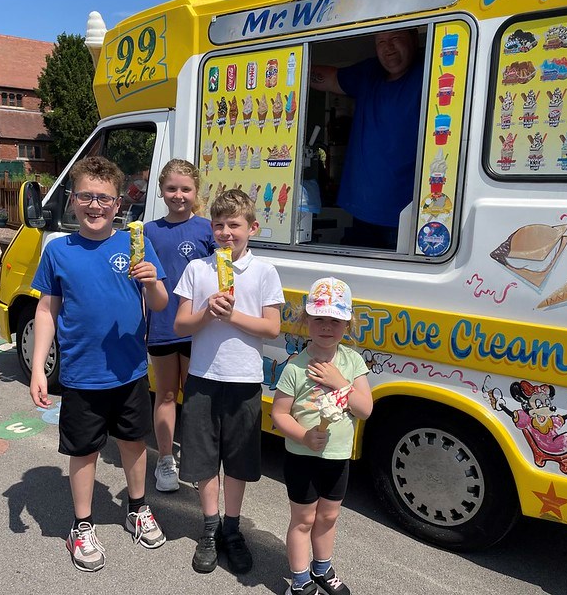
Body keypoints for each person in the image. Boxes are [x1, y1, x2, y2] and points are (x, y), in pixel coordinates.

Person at [29, 156, 169, 572]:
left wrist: (152, 282)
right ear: (73, 200)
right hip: (81, 373)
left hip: (129, 371)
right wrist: (39, 367)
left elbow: (160, 304)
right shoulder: (58, 251)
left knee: (133, 443)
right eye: (87, 196)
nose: (95, 205)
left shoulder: (135, 244)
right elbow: (46, 312)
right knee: (85, 451)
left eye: (104, 198)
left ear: (118, 204)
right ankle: (82, 524)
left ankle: (138, 508)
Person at [174, 188, 284, 575]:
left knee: (237, 461)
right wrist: (207, 312)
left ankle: (232, 530)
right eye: (218, 225)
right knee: (204, 459)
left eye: (234, 225)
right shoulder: (198, 270)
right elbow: (180, 324)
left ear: (251, 227)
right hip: (204, 378)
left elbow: (272, 328)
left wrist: (232, 314)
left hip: (244, 380)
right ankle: (209, 527)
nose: (226, 233)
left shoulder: (264, 272)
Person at [271, 277, 373, 595]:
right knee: (303, 519)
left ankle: (322, 569)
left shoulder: (352, 363)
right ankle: (300, 582)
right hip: (302, 457)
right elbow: (279, 414)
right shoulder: (295, 368)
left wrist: (339, 382)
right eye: (319, 319)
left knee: (328, 516)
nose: (326, 327)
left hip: (338, 456)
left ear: (347, 323)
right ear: (306, 321)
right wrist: (302, 435)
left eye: (335, 320)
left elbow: (365, 409)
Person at [311, 29, 423, 249]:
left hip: (409, 214)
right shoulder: (369, 73)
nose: (388, 47)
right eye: (381, 41)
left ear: (414, 39)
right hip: (362, 211)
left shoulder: (432, 68)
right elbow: (330, 79)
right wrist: (286, 65)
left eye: (395, 38)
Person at [144, 159, 214, 492]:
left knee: (197, 398)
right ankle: (165, 459)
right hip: (161, 327)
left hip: (198, 327)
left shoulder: (207, 229)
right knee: (167, 394)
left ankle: (199, 461)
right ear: (161, 190)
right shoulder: (149, 231)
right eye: (171, 188)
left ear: (195, 191)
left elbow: (225, 273)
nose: (178, 195)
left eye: (186, 189)